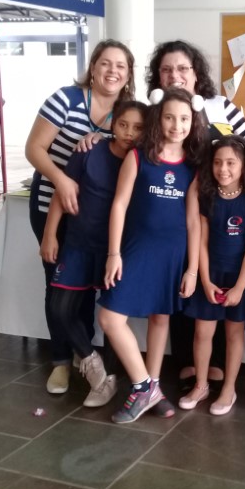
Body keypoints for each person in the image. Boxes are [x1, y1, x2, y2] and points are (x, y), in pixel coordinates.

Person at [147, 40, 245, 391]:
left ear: (196, 73)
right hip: (168, 212)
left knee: (217, 285)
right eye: (167, 69)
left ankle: (216, 365)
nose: (175, 75)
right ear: (158, 77)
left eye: (183, 68)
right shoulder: (152, 111)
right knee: (184, 287)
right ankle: (187, 361)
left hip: (217, 213)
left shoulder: (221, 107)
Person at [25, 39, 135, 395]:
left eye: (120, 65)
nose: (112, 71)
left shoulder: (126, 113)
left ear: (129, 73)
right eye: (105, 63)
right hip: (52, 203)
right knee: (57, 286)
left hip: (92, 217)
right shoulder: (66, 99)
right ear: (93, 66)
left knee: (85, 287)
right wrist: (61, 179)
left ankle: (81, 352)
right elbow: (34, 148)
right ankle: (60, 361)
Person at [100, 88, 206, 423]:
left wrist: (192, 269)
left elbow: (193, 221)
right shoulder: (138, 156)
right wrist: (114, 253)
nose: (177, 125)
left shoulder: (194, 165)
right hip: (135, 249)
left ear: (193, 121)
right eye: (170, 117)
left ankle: (153, 386)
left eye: (184, 119)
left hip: (173, 254)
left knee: (161, 318)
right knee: (110, 318)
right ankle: (144, 386)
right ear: (158, 118)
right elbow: (119, 205)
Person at [40, 100, 146, 407]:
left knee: (113, 317)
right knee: (60, 308)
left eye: (138, 128)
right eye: (123, 124)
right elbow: (63, 193)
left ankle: (109, 378)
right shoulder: (89, 151)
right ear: (112, 124)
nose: (129, 133)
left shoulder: (145, 160)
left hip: (118, 250)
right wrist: (50, 234)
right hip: (78, 244)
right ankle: (92, 364)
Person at [179, 135, 245, 415]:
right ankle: (201, 385)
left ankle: (229, 388)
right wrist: (205, 280)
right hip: (211, 275)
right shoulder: (207, 197)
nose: (223, 169)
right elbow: (202, 243)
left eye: (230, 163)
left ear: (244, 165)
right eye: (217, 162)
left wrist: (239, 287)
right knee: (202, 332)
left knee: (233, 333)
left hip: (239, 278)